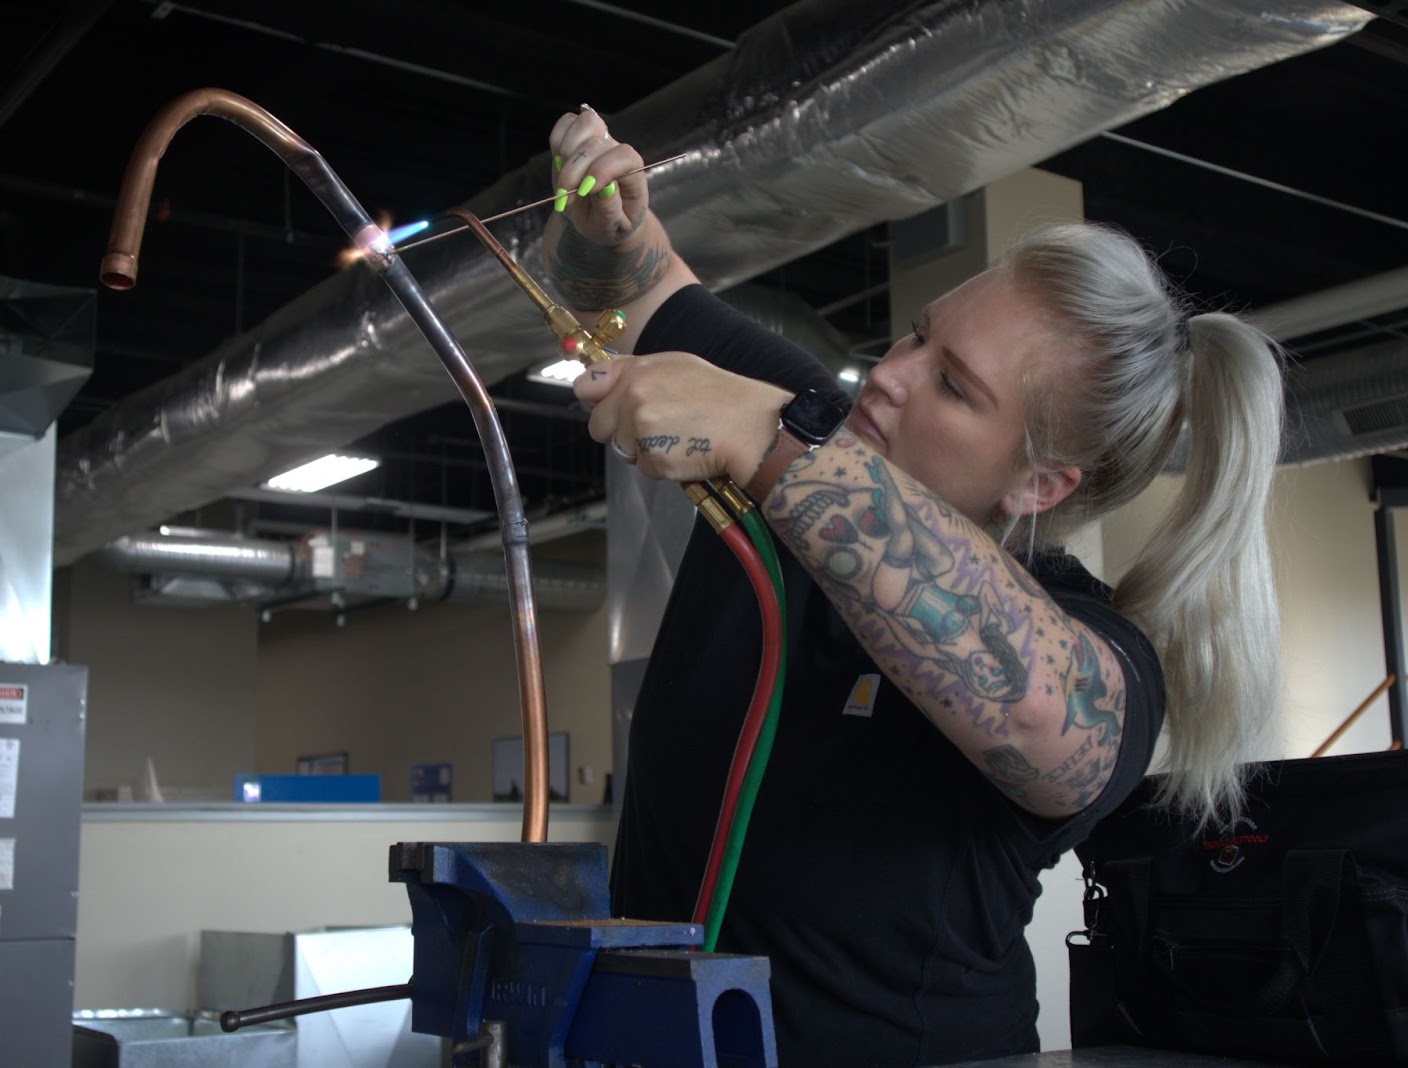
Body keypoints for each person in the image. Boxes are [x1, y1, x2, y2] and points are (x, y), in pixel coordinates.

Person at [543, 106, 1284, 1066]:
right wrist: (608, 219)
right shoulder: (827, 422)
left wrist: (773, 443)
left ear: (1041, 482)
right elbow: (625, 285)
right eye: (915, 337)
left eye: (955, 386)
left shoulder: (1096, 648)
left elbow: (1049, 724)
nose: (890, 376)